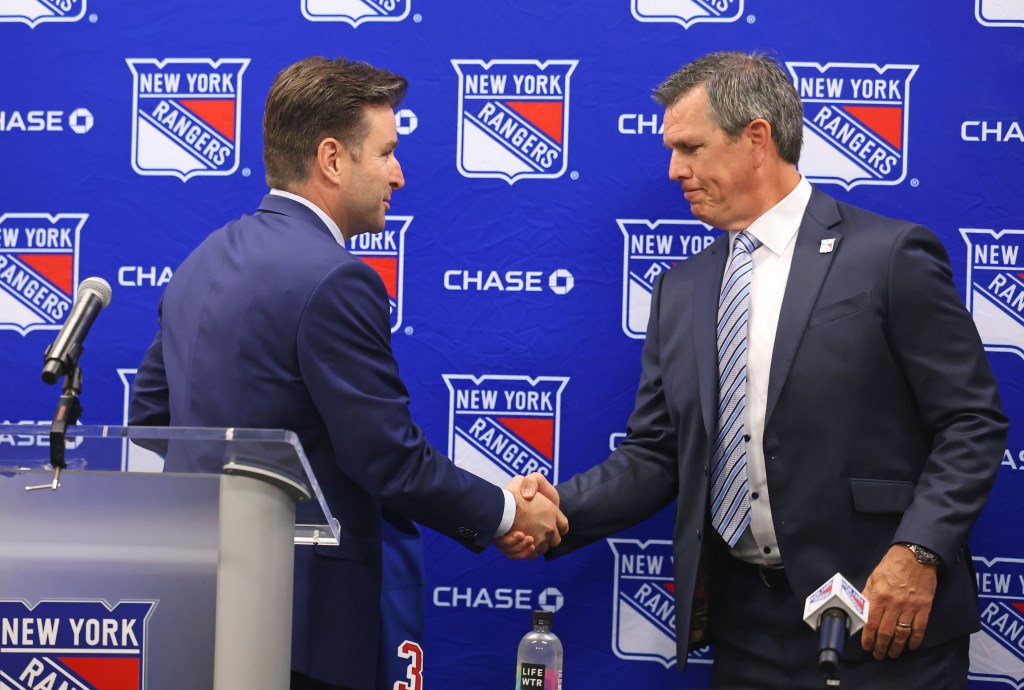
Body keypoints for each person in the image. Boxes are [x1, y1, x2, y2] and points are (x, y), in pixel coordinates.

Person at [503, 51, 1007, 688]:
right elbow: (658, 454)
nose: (673, 170)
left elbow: (971, 422)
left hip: (883, 624)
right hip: (748, 632)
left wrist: (919, 551)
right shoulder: (681, 290)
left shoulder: (889, 256)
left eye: (689, 147)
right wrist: (550, 510)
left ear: (757, 139)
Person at [129, 56, 567, 690]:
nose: (400, 174)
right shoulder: (337, 279)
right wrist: (506, 512)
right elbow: (387, 459)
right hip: (306, 631)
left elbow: (150, 427)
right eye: (386, 152)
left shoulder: (201, 259)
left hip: (204, 617)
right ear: (332, 159)